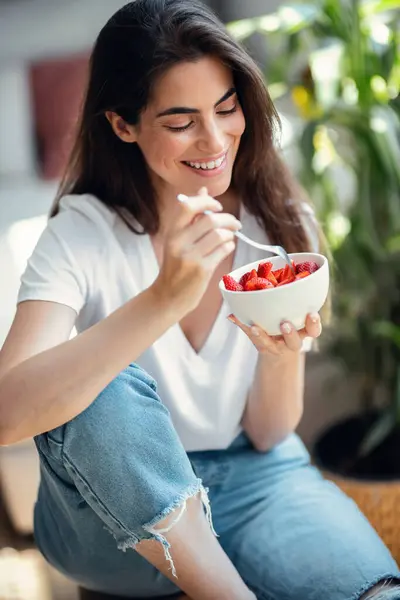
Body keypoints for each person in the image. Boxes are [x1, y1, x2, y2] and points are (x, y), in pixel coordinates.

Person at [0, 1, 399, 599]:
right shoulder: (80, 235)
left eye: (227, 107)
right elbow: (6, 414)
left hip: (249, 477)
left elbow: (269, 433)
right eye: (181, 120)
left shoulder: (281, 232)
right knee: (100, 377)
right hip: (104, 518)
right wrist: (164, 299)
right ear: (123, 124)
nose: (214, 140)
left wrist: (281, 351)